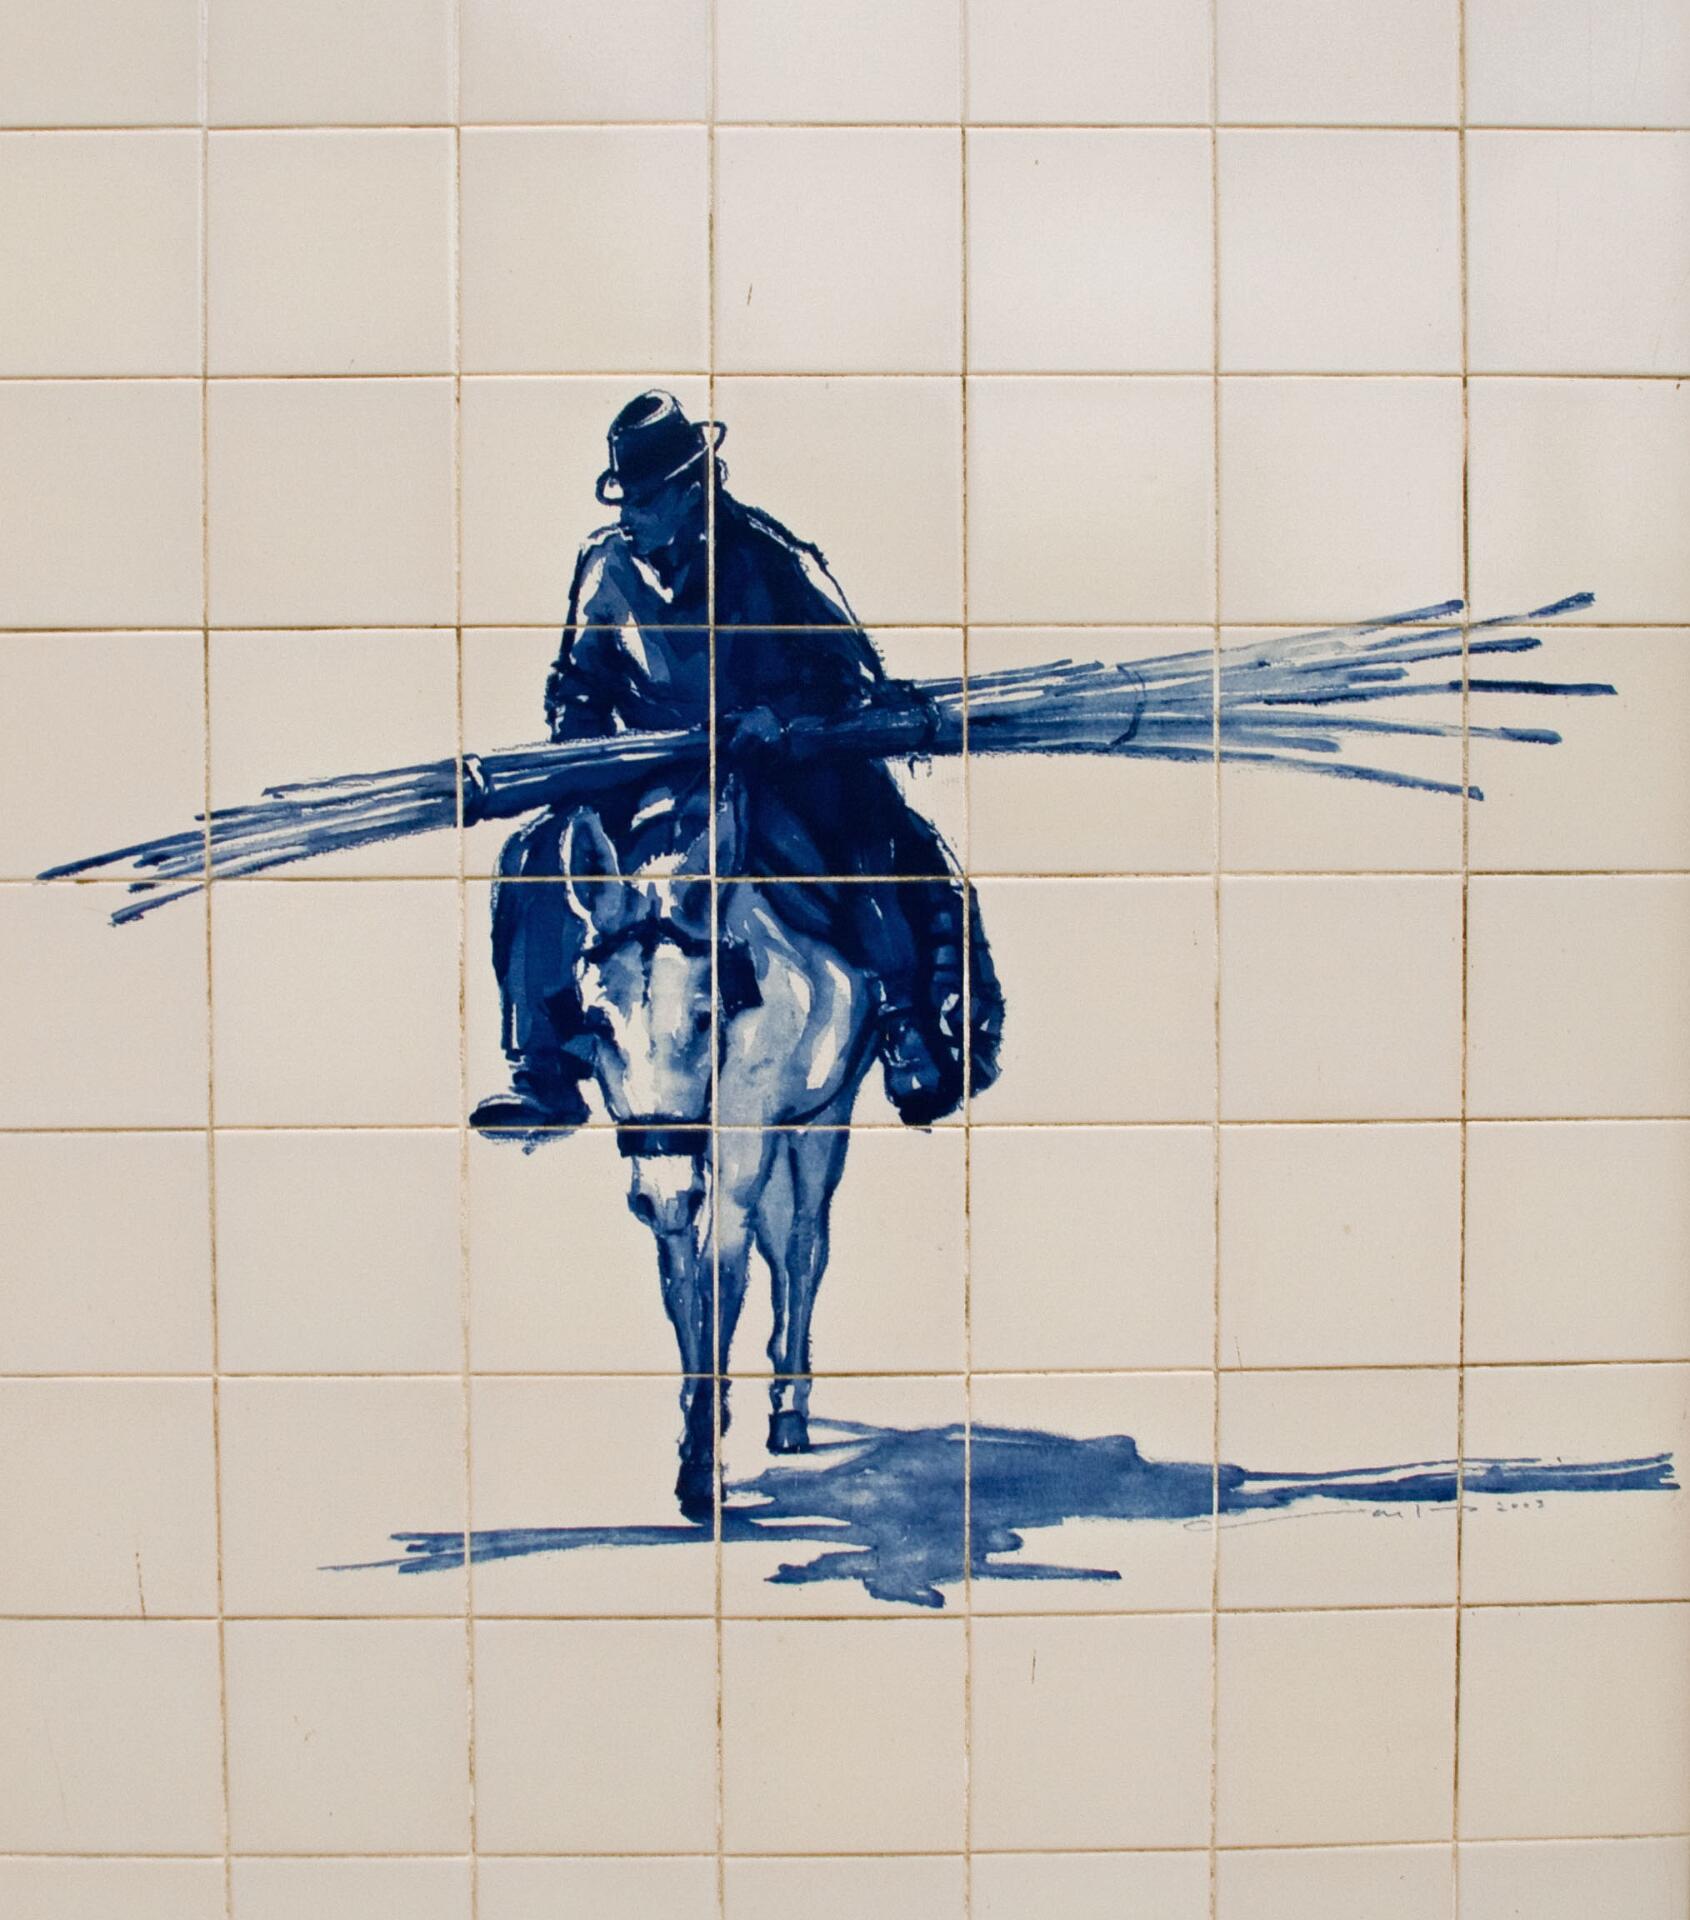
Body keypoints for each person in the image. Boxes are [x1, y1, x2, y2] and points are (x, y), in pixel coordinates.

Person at [470, 390, 1000, 1135]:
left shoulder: (772, 558)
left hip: (777, 766)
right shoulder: (603, 566)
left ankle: (903, 1014)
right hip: (647, 771)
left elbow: (853, 677)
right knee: (530, 857)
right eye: (626, 500)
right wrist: (583, 754)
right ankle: (544, 1070)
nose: (631, 517)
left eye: (645, 500)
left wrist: (780, 720)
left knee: (871, 839)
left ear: (692, 491)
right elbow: (579, 684)